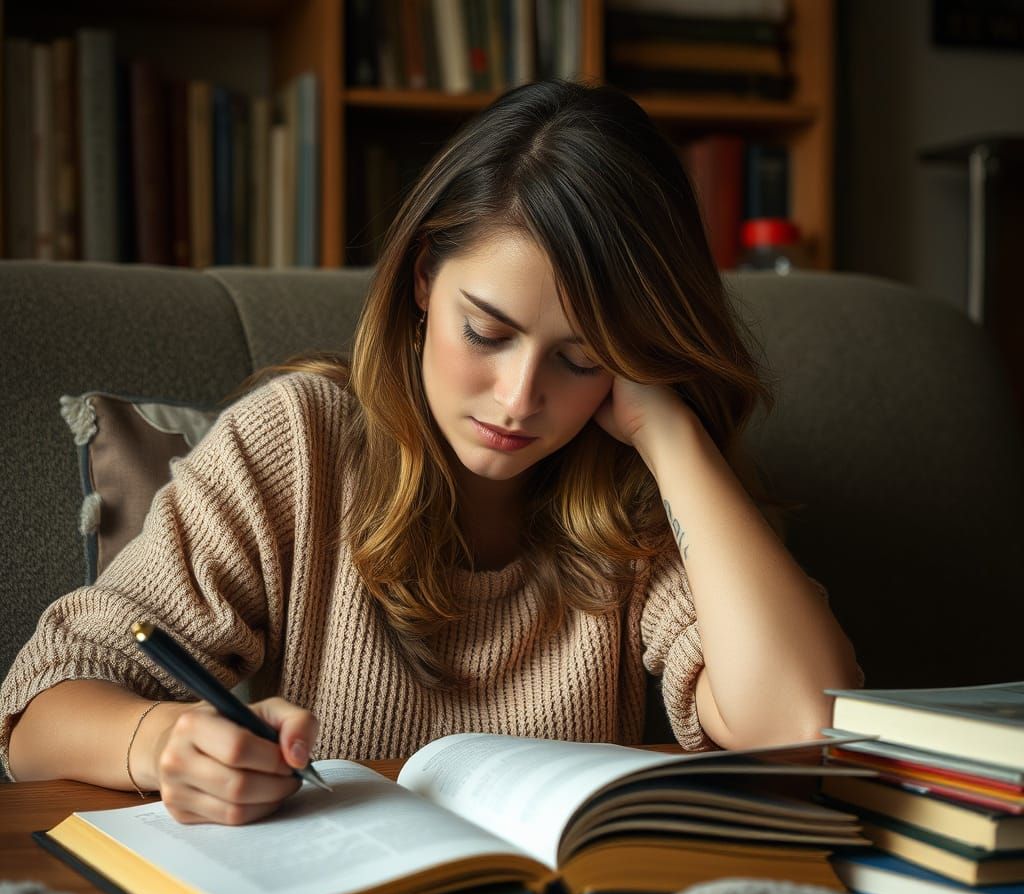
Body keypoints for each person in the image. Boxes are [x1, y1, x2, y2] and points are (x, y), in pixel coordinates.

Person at [2, 80, 862, 825]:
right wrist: (161, 744)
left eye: (580, 357)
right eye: (486, 331)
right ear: (422, 280)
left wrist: (671, 436)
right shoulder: (299, 442)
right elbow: (36, 713)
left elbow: (802, 728)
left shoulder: (638, 495)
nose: (520, 399)